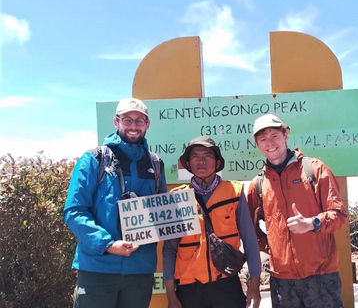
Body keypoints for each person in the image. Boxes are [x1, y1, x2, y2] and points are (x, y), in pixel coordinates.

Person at [63, 97, 167, 308]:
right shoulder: (94, 159)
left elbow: (161, 213)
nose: (133, 126)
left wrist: (182, 217)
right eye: (127, 120)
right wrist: (108, 244)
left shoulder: (155, 163)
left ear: (147, 124)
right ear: (116, 121)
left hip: (140, 271)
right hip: (97, 269)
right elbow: (74, 211)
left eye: (139, 121)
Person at [247, 114, 348, 308]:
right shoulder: (258, 184)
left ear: (286, 135)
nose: (270, 143)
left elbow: (339, 215)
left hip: (322, 276)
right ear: (257, 144)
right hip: (282, 282)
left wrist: (312, 223)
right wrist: (272, 247)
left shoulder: (315, 169)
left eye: (274, 135)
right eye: (263, 139)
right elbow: (250, 231)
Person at [162, 136, 262, 308]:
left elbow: (250, 241)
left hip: (226, 285)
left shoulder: (234, 192)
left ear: (217, 163)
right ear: (188, 164)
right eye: (195, 156)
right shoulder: (176, 198)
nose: (201, 161)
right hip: (188, 289)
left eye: (207, 155)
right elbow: (169, 249)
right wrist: (171, 295)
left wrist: (254, 285)